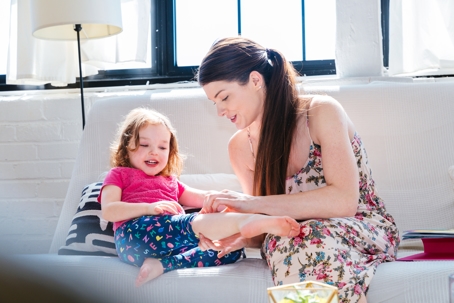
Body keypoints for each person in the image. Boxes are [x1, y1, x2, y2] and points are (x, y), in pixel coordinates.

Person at [196, 37, 399, 303]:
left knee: (305, 236)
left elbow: (343, 202)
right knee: (287, 238)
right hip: (295, 238)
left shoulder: (320, 112)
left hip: (362, 226)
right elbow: (268, 228)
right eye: (214, 103)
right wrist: (241, 233)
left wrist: (252, 204)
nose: (220, 111)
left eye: (224, 97)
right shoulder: (240, 148)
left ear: (256, 81)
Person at [98, 107, 300, 287]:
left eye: (162, 147)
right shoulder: (119, 174)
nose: (154, 152)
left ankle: (163, 265)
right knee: (187, 223)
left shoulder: (170, 181)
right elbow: (109, 210)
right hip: (134, 238)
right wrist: (149, 208)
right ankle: (250, 221)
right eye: (144, 145)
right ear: (127, 146)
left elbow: (203, 198)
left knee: (227, 249)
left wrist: (232, 202)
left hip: (171, 247)